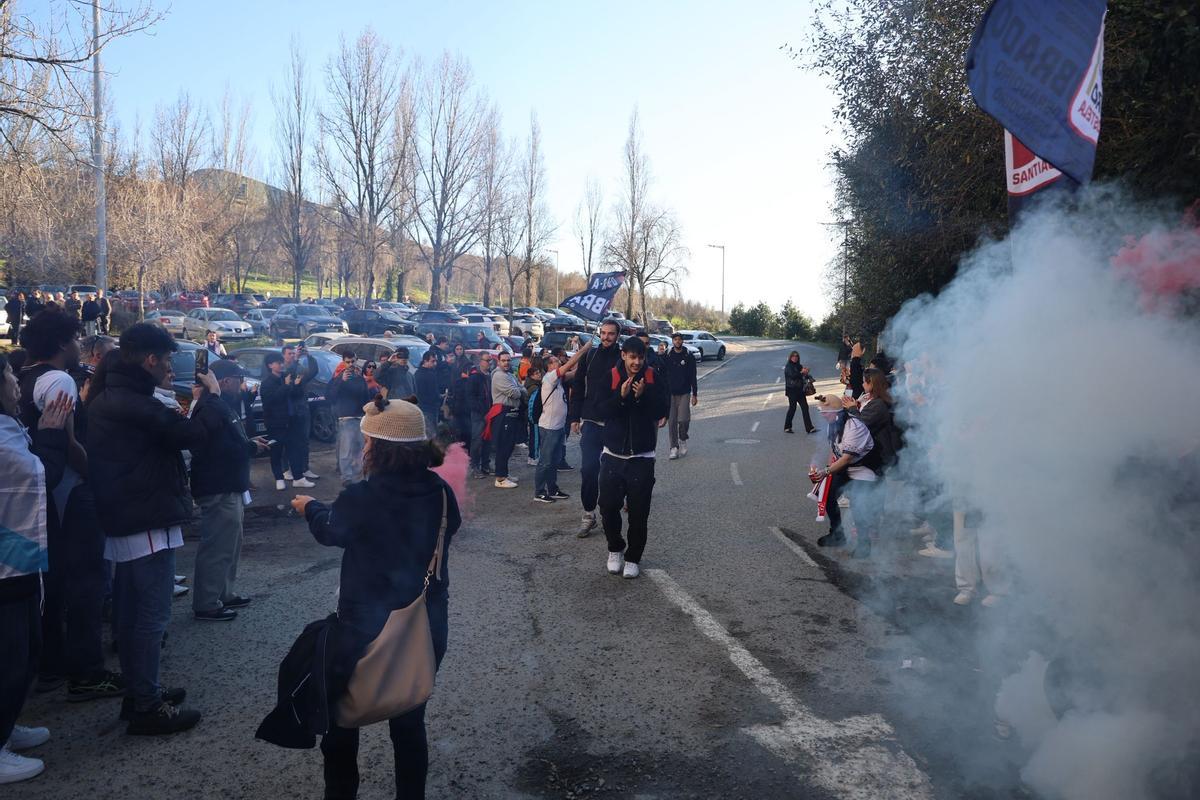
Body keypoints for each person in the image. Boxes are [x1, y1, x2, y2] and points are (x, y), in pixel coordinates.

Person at [291, 397, 461, 800]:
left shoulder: (363, 496)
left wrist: (310, 507)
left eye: (367, 441)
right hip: (424, 619)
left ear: (380, 448)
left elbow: (333, 530)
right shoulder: (439, 492)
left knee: (342, 722)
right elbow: (447, 530)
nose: (363, 447)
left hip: (363, 625)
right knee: (407, 717)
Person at [87, 322, 217, 734]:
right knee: (150, 615)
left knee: (131, 612)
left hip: (132, 513)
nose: (167, 368)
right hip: (143, 516)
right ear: (149, 359)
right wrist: (208, 397)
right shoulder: (133, 402)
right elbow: (193, 434)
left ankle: (142, 692)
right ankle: (145, 704)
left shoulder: (117, 396)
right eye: (164, 360)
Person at [18, 309, 122, 703]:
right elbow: (68, 440)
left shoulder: (25, 378)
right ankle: (87, 671)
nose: (80, 344)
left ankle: (51, 666)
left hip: (41, 500)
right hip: (71, 496)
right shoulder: (59, 379)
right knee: (86, 585)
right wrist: (88, 464)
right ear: (63, 343)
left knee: (56, 587)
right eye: (76, 338)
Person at [0, 352, 71, 784]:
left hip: (17, 553)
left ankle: (7, 724)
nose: (16, 382)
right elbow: (37, 477)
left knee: (25, 648)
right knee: (9, 655)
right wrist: (48, 438)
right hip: (6, 560)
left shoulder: (9, 426)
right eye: (8, 374)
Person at [190, 359, 267, 621]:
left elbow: (229, 439)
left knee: (231, 544)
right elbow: (215, 448)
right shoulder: (209, 406)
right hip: (218, 485)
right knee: (218, 545)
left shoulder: (221, 405)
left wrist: (249, 443)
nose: (241, 384)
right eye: (237, 379)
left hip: (230, 484)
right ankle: (207, 602)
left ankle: (224, 593)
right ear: (223, 382)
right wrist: (250, 448)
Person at [595, 336, 669, 579]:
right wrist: (622, 397)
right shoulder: (611, 377)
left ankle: (633, 558)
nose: (637, 362)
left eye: (641, 357)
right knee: (607, 506)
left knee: (639, 512)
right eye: (632, 357)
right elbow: (601, 409)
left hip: (642, 457)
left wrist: (642, 396)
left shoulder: (653, 377)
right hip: (613, 455)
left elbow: (661, 411)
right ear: (623, 355)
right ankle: (615, 548)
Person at [568, 319, 622, 537]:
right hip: (590, 421)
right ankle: (589, 514)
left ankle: (611, 511)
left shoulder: (622, 358)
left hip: (614, 424)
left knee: (612, 474)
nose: (606, 337)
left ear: (618, 336)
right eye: (603, 333)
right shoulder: (590, 356)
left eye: (611, 333)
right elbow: (578, 386)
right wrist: (574, 417)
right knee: (588, 470)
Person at [812, 392, 878, 559]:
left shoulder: (853, 427)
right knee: (827, 495)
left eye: (824, 412)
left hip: (864, 470)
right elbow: (835, 451)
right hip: (844, 469)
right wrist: (825, 471)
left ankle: (864, 545)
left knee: (859, 506)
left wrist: (826, 471)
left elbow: (847, 457)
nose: (822, 415)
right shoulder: (832, 424)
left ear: (836, 412)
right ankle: (837, 534)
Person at [533, 340, 591, 504]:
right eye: (556, 360)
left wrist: (584, 358)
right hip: (549, 427)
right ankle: (539, 491)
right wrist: (583, 350)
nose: (559, 361)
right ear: (549, 366)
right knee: (545, 461)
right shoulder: (550, 378)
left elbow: (576, 371)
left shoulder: (558, 380)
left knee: (554, 460)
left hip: (558, 427)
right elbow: (570, 365)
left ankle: (552, 489)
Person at [260, 352, 309, 490]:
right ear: (270, 365)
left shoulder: (285, 378)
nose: (281, 365)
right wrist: (287, 386)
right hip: (275, 424)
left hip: (291, 420)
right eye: (277, 362)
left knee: (294, 450)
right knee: (276, 451)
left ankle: (298, 478)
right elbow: (271, 400)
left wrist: (297, 385)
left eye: (281, 362)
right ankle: (279, 478)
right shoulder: (266, 383)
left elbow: (295, 395)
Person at [328, 353, 371, 485]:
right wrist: (341, 381)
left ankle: (360, 475)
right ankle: (346, 477)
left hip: (360, 417)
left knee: (361, 450)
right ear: (343, 362)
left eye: (353, 361)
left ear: (356, 361)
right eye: (348, 362)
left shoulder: (359, 377)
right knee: (346, 450)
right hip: (346, 418)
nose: (351, 364)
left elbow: (365, 397)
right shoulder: (339, 377)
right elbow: (330, 397)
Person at [281, 344, 320, 485]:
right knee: (288, 441)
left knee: (304, 440)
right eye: (290, 354)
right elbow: (288, 377)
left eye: (294, 353)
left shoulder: (299, 368)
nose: (292, 355)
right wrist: (296, 359)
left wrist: (308, 356)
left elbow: (313, 371)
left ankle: (304, 468)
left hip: (303, 408)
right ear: (283, 355)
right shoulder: (282, 369)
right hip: (289, 411)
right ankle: (286, 469)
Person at [490, 351, 525, 489]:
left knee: (509, 445)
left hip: (512, 413)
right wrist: (518, 389)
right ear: (499, 361)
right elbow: (515, 393)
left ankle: (504, 473)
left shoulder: (510, 375)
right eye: (503, 360)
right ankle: (500, 478)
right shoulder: (498, 376)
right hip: (503, 414)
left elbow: (522, 389)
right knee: (503, 446)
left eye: (508, 360)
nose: (506, 363)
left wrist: (518, 389)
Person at [662, 332, 698, 459]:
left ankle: (683, 439)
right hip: (670, 393)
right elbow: (662, 373)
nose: (677, 342)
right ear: (672, 341)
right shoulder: (667, 355)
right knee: (671, 422)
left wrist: (695, 394)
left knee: (683, 420)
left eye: (679, 340)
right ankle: (673, 447)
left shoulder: (688, 356)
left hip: (684, 392)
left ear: (682, 341)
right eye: (675, 340)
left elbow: (693, 376)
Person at [467, 353, 494, 478]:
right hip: (479, 414)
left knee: (487, 440)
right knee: (477, 440)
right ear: (480, 361)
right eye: (487, 360)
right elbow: (470, 397)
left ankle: (485, 465)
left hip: (489, 412)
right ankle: (474, 467)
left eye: (490, 360)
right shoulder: (474, 377)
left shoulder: (490, 376)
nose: (490, 363)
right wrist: (481, 410)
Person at [783, 351, 817, 434]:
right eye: (793, 356)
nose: (795, 357)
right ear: (790, 357)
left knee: (805, 408)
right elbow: (793, 376)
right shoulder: (788, 366)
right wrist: (801, 372)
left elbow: (803, 376)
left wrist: (806, 372)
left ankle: (809, 428)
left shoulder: (799, 366)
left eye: (796, 356)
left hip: (800, 390)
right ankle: (787, 427)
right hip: (792, 390)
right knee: (792, 408)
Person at [415, 350, 442, 436]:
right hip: (426, 407)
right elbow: (421, 393)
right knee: (430, 433)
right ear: (425, 361)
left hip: (433, 407)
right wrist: (436, 398)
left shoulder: (431, 372)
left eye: (435, 361)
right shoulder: (420, 374)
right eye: (432, 361)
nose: (435, 364)